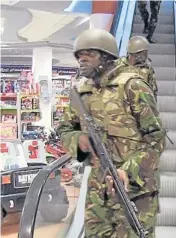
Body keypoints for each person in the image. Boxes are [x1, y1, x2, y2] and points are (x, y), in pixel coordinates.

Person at [57, 28, 166, 238]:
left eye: (89, 54)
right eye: (79, 55)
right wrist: (78, 141)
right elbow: (65, 129)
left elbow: (156, 140)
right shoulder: (81, 92)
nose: (82, 60)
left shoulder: (133, 86)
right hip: (99, 191)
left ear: (106, 57)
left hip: (135, 191)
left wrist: (128, 170)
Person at [117, 35, 158, 100]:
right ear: (137, 54)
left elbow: (153, 92)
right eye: (145, 52)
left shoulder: (147, 69)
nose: (147, 55)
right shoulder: (118, 66)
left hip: (138, 106)